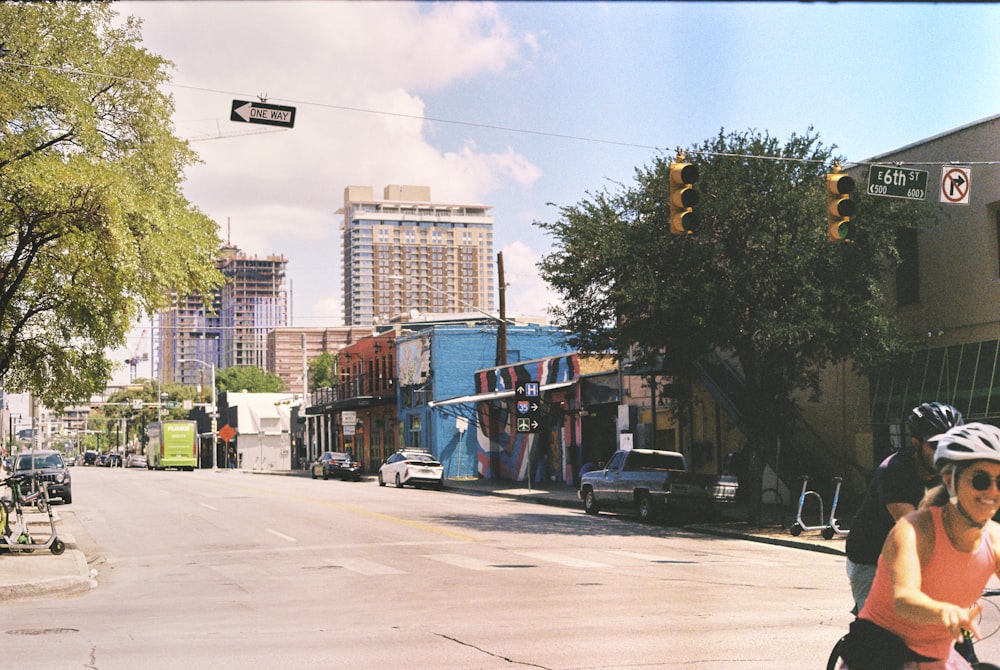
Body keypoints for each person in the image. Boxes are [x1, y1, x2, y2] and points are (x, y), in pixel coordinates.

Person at [839, 422, 1000, 670]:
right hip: (881, 658)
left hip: (936, 661)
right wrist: (944, 611)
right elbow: (904, 598)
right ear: (950, 480)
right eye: (980, 480)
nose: (993, 491)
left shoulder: (994, 538)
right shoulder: (914, 530)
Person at [845, 402, 964, 613]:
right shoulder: (894, 471)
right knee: (880, 630)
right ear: (916, 443)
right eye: (936, 446)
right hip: (873, 558)